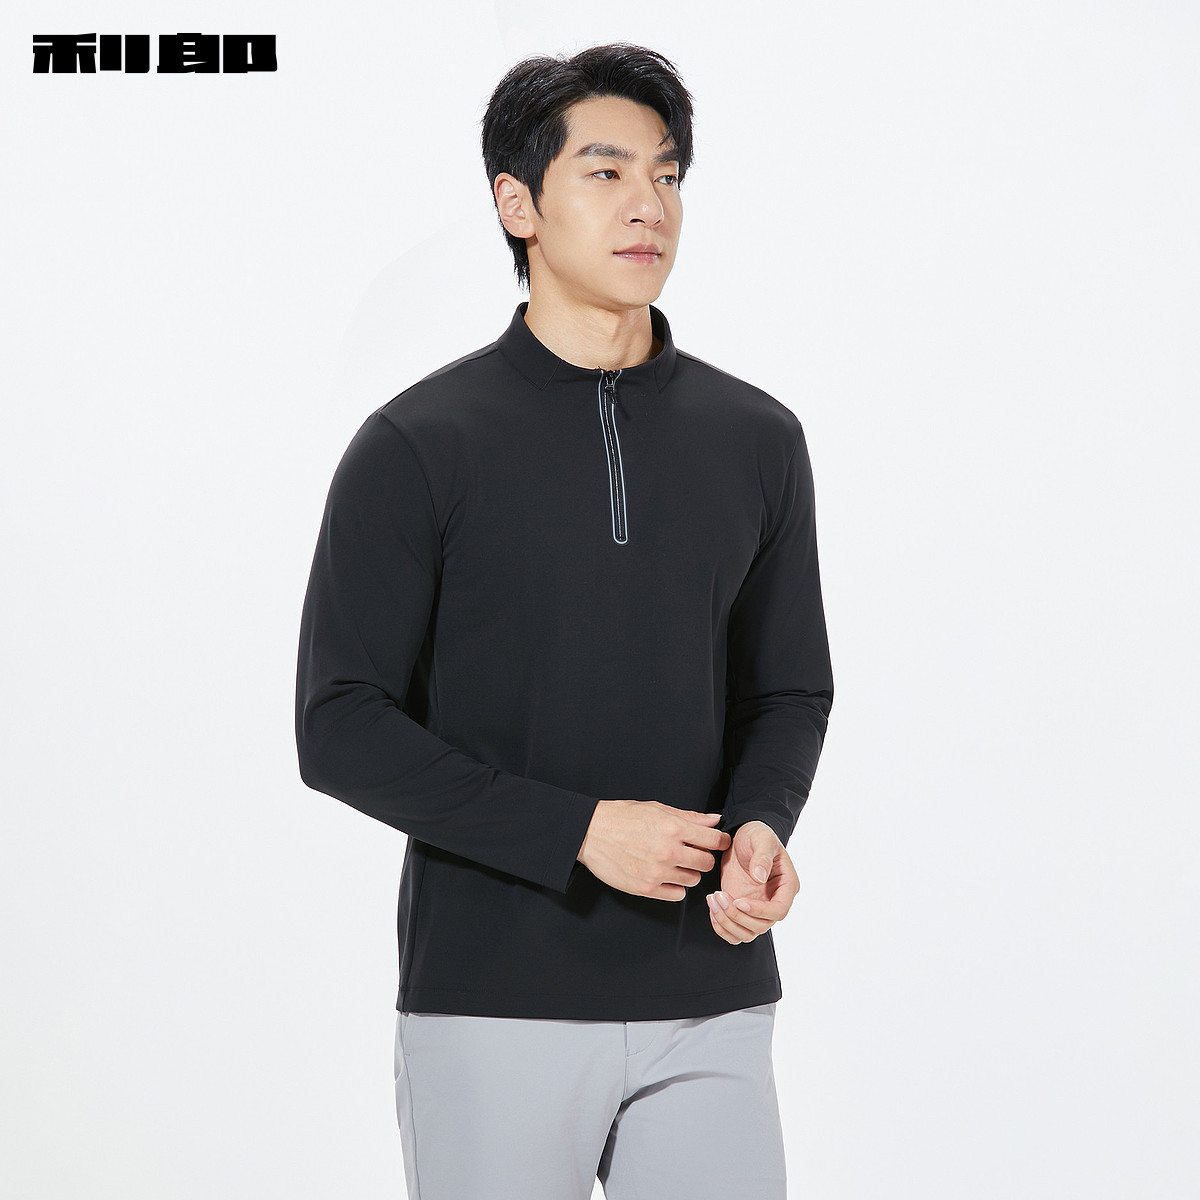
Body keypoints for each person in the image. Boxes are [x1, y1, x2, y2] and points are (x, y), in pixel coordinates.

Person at [294, 41, 834, 1200]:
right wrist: (580, 831)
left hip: (710, 998)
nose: (649, 205)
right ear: (518, 204)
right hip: (494, 999)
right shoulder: (417, 446)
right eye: (606, 172)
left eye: (668, 174)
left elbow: (787, 686)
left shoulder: (758, 439)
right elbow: (338, 724)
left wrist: (762, 823)